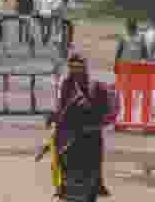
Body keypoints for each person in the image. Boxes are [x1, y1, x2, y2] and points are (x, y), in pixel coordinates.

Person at [48, 53, 114, 201]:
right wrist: (54, 118)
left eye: (79, 68)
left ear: (85, 68)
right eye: (72, 68)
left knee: (89, 182)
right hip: (70, 142)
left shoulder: (96, 87)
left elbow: (105, 114)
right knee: (68, 181)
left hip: (90, 141)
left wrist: (91, 116)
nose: (76, 71)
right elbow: (62, 109)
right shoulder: (66, 85)